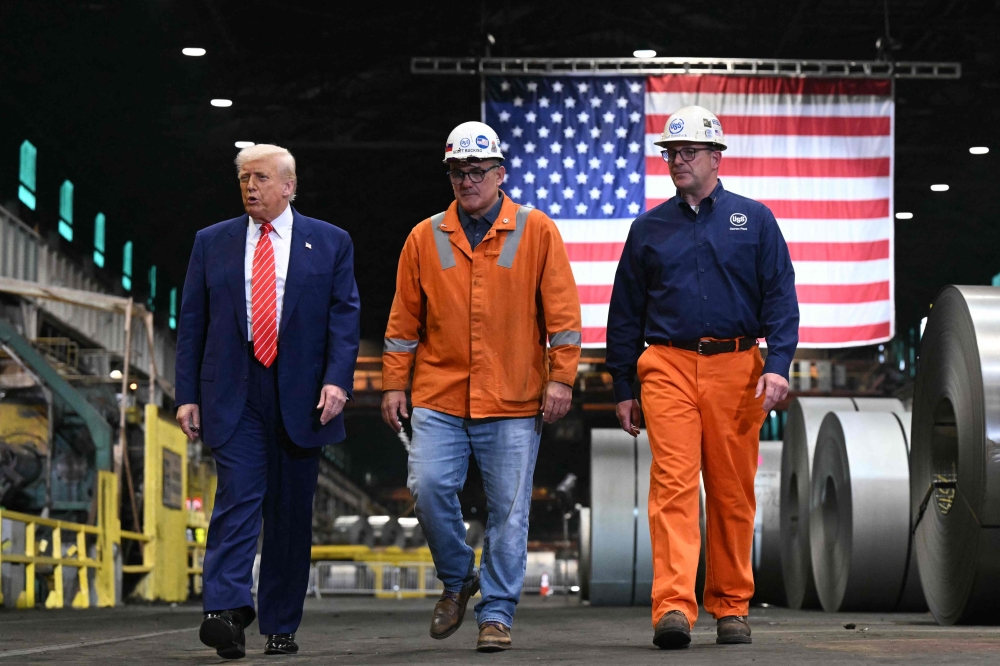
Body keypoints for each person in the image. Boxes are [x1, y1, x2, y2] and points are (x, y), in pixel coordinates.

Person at [381, 121, 582, 652]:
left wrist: (561, 377)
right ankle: (457, 577)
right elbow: (403, 321)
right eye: (456, 172)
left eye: (476, 171)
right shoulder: (424, 237)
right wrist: (392, 385)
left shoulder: (536, 230)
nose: (466, 181)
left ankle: (495, 613)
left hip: (514, 396)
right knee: (425, 488)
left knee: (508, 512)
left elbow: (562, 315)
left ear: (500, 173)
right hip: (439, 394)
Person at [606, 106, 799, 649]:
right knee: (672, 487)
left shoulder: (754, 220)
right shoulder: (648, 229)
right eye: (671, 152)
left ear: (717, 158)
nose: (678, 161)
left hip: (739, 367)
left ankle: (732, 606)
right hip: (665, 364)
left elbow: (781, 298)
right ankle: (673, 607)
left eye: (689, 151)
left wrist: (779, 365)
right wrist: (624, 385)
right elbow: (624, 313)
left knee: (733, 492)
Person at [175, 144, 360, 659]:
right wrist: (186, 395)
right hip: (234, 391)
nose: (249, 187)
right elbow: (192, 323)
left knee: (289, 514)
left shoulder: (330, 242)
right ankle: (225, 610)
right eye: (242, 179)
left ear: (288, 186)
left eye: (259, 178)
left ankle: (280, 624)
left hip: (303, 396)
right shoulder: (211, 242)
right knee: (237, 497)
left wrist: (337, 381)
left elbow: (344, 318)